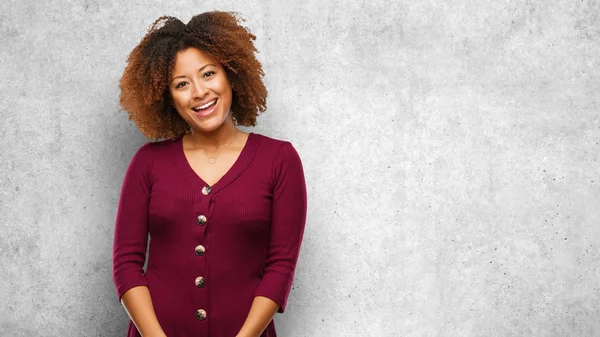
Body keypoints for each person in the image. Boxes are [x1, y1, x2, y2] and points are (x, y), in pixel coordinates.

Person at [112, 11, 308, 337]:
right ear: (167, 97)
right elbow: (126, 264)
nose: (199, 92)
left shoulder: (279, 160)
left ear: (230, 74)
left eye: (208, 74)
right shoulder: (147, 163)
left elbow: (280, 267)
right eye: (181, 84)